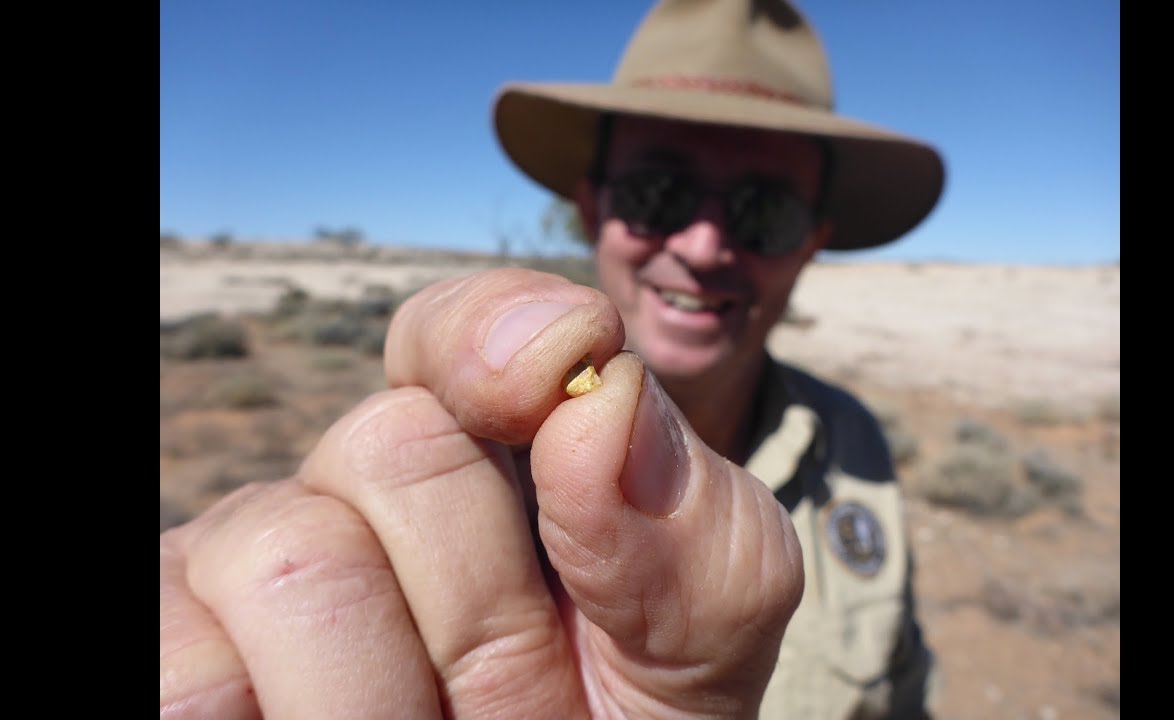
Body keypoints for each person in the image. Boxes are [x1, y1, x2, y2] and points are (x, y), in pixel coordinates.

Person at [159, 0, 945, 717]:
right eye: (657, 196)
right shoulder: (473, 461)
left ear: (812, 242)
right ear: (593, 210)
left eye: (763, 212)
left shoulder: (856, 450)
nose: (704, 247)